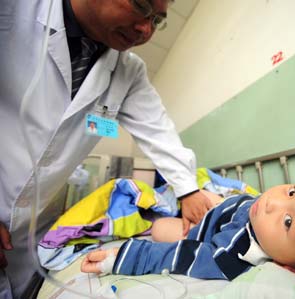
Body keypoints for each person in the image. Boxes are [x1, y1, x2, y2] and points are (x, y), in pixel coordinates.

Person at [0, 0, 211, 297]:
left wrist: (189, 190)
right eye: (141, 5)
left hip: (28, 236)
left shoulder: (128, 71)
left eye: (157, 20)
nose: (146, 29)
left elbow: (157, 130)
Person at [81, 180, 295, 282]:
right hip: (219, 209)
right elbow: (250, 203)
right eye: (292, 191)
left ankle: (150, 217)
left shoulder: (236, 254)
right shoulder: (263, 209)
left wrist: (121, 257)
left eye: (289, 223)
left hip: (194, 230)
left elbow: (185, 256)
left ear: (290, 266)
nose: (275, 203)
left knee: (164, 229)